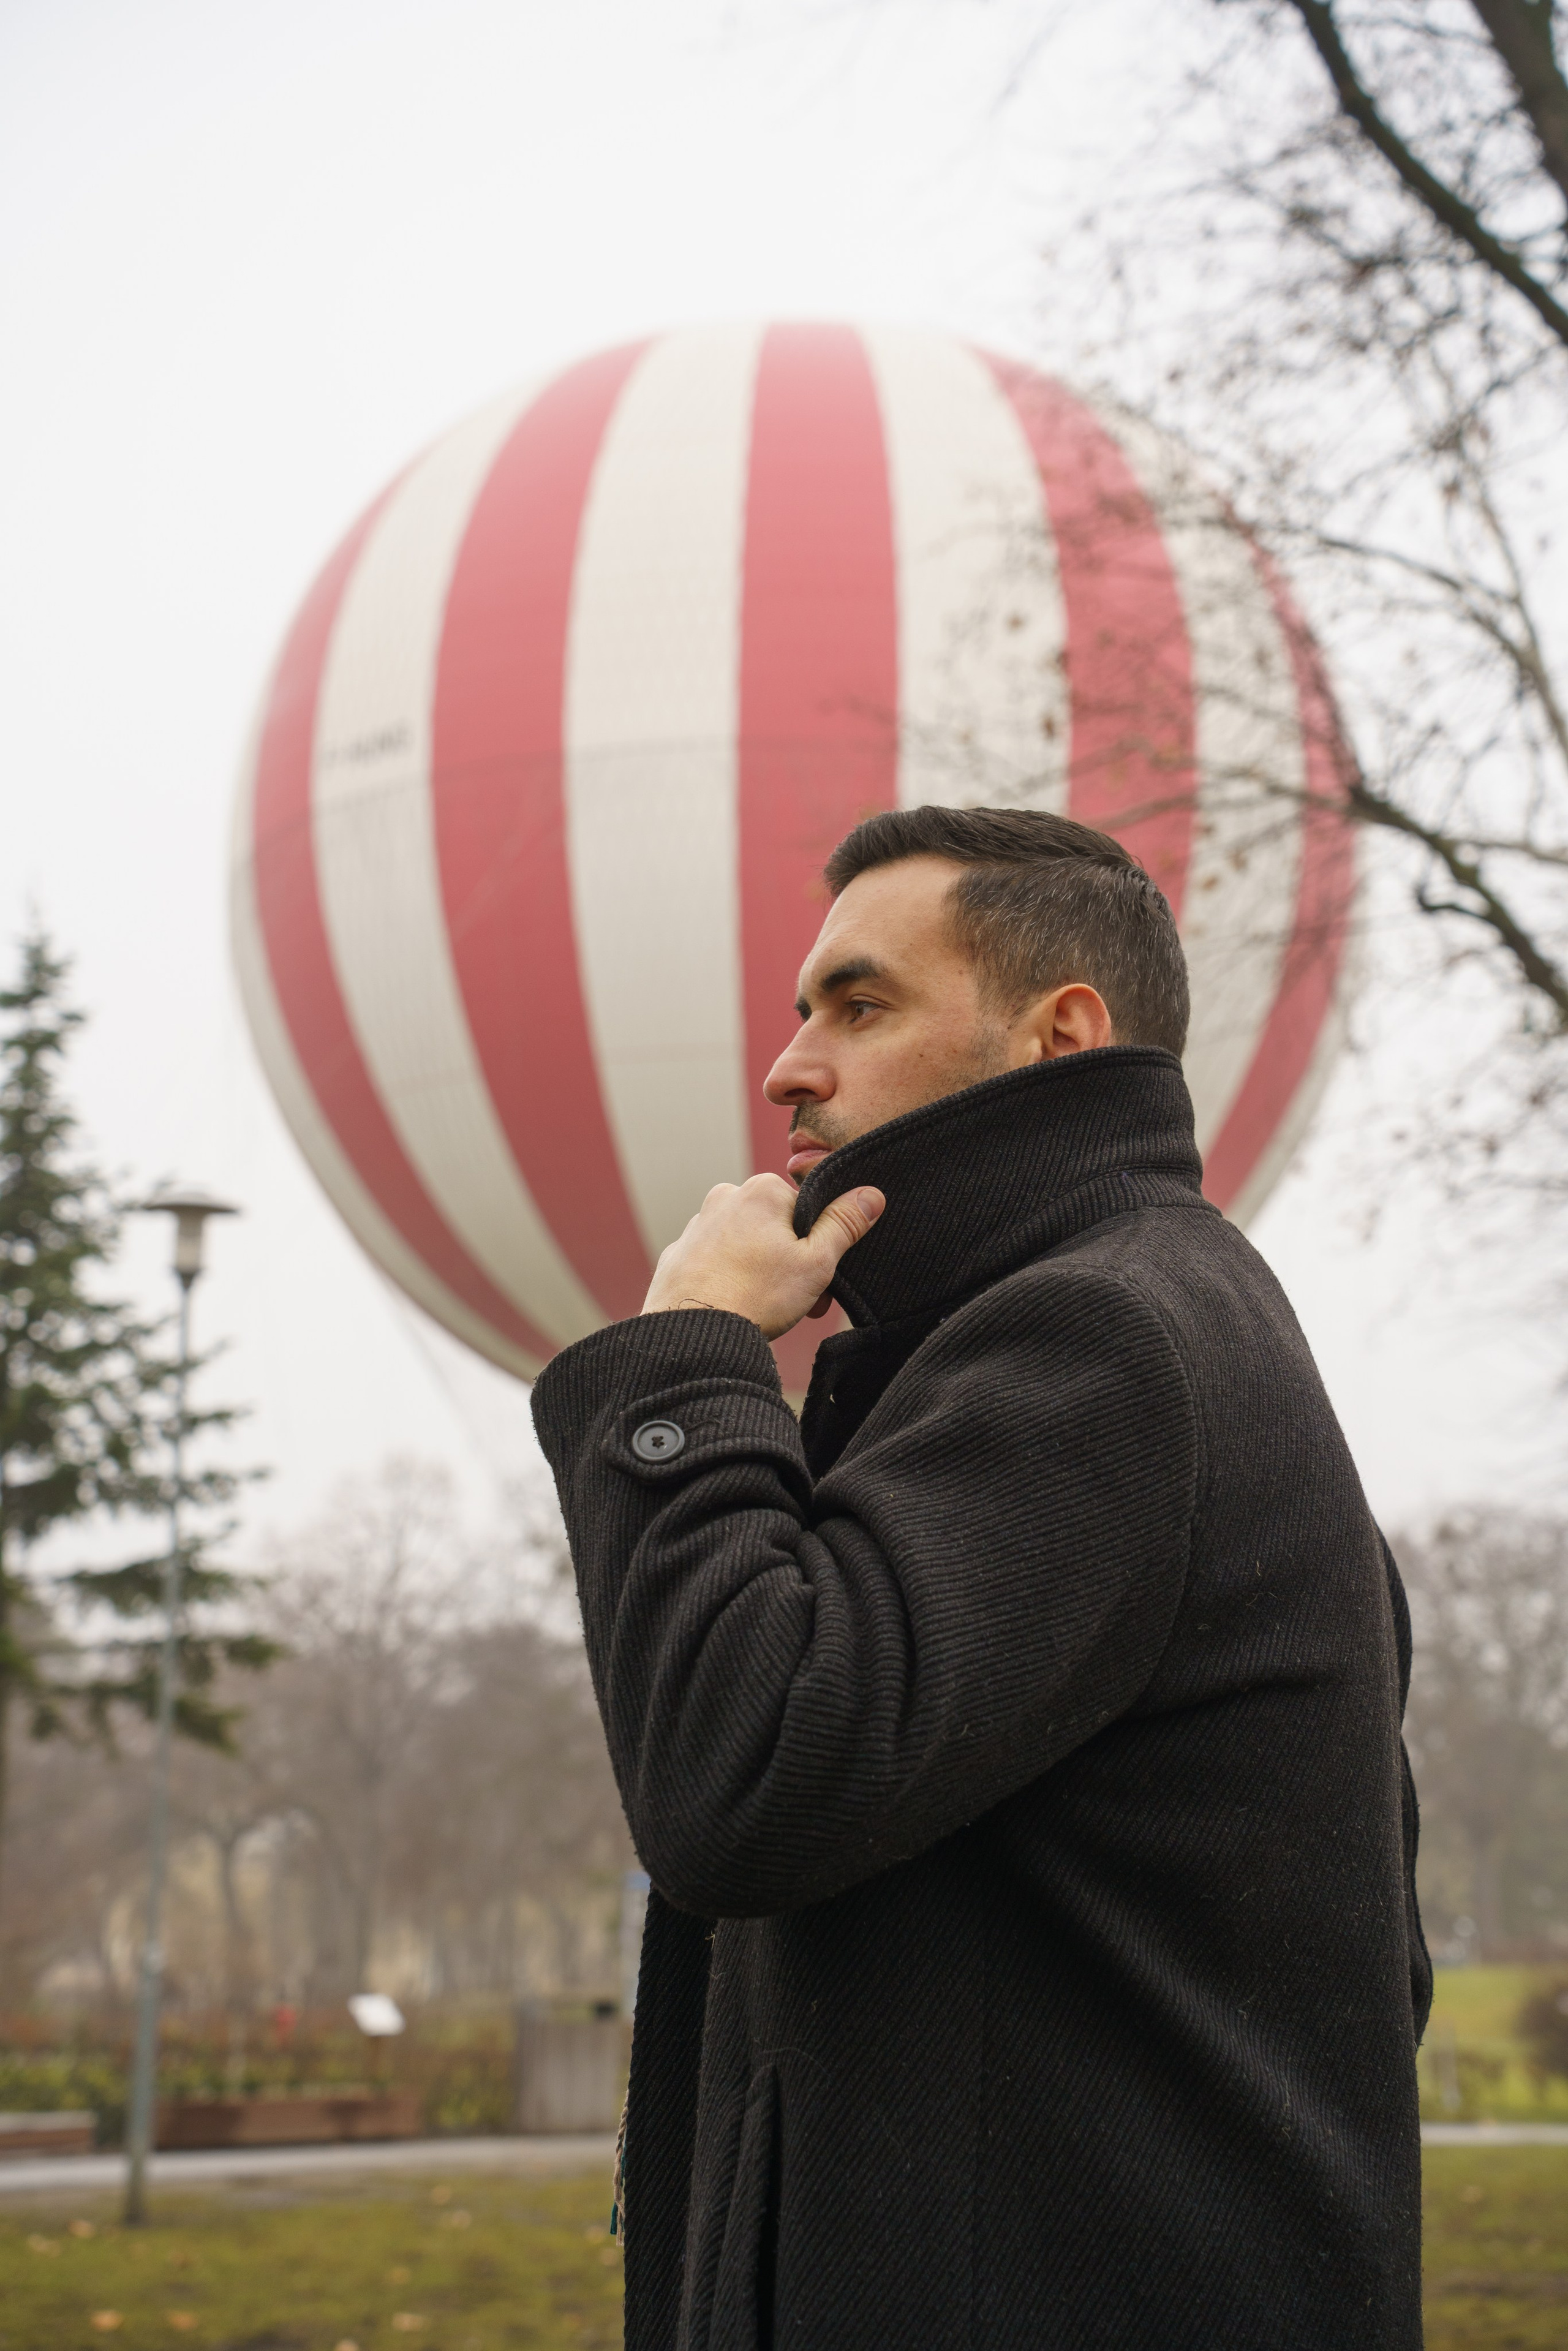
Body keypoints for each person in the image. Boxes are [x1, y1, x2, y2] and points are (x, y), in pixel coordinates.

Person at [530, 806, 1430, 2351]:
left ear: (1054, 1033)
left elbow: (741, 1771)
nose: (787, 1066)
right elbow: (1365, 1962)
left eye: (858, 1004)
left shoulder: (1098, 1343)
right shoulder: (1152, 1320)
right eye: (802, 1006)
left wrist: (682, 1358)